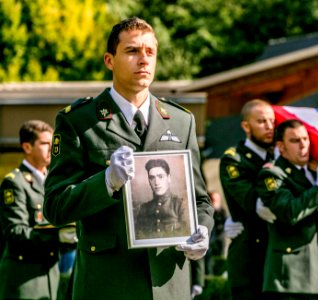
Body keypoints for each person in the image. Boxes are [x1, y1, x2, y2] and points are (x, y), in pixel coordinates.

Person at [44, 17, 214, 300]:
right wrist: (106, 183)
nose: (143, 60)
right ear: (109, 60)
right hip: (108, 282)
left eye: (150, 52)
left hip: (168, 284)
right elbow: (55, 206)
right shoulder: (80, 120)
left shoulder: (181, 121)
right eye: (132, 51)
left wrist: (203, 231)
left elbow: (200, 201)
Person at [256, 119, 318, 299]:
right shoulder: (273, 174)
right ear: (281, 147)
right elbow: (290, 212)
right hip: (290, 278)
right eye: (295, 141)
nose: (303, 145)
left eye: (306, 139)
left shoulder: (315, 171)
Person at [0, 120, 77, 299]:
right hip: (25, 279)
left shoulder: (53, 181)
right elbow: (15, 232)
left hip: (52, 276)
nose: (51, 148)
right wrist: (58, 236)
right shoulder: (14, 183)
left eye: (53, 143)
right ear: (27, 147)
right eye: (44, 144)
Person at [219, 99, 276, 299]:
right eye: (262, 121)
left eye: (272, 121)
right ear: (246, 126)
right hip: (249, 260)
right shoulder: (233, 159)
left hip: (276, 260)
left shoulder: (277, 157)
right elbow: (252, 201)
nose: (269, 127)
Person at [136, 159, 189, 239]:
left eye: (160, 176)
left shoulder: (180, 205)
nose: (156, 182)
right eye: (152, 178)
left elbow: (187, 234)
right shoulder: (144, 208)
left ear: (169, 178)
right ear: (149, 181)